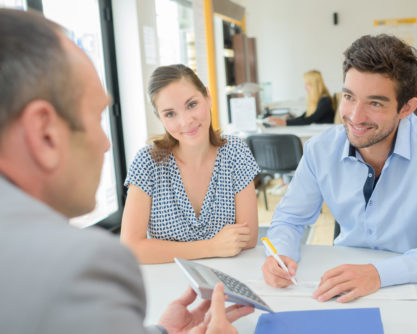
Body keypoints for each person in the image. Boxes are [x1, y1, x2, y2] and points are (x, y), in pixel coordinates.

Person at [0, 8, 252, 334]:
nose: (107, 144)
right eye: (96, 117)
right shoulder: (83, 269)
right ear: (44, 133)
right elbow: (131, 245)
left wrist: (161, 332)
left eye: (191, 105)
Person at [261, 34, 417, 303]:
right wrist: (280, 254)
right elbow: (289, 220)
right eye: (349, 97)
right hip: (343, 284)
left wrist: (378, 274)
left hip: (414, 284)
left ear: (407, 108)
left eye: (375, 103)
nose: (355, 116)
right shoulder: (320, 150)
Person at [120, 64, 259, 264]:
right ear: (160, 118)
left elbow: (248, 238)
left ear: (208, 97)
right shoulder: (147, 163)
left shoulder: (235, 152)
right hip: (167, 282)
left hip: (228, 277)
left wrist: (165, 250)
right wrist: (211, 246)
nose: (186, 121)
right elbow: (132, 248)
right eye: (170, 114)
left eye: (192, 105)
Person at [267, 70, 335, 126]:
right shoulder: (318, 100)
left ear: (314, 85)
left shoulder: (325, 100)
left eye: (307, 84)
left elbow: (310, 119)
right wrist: (286, 121)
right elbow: (305, 116)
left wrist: (285, 122)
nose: (305, 87)